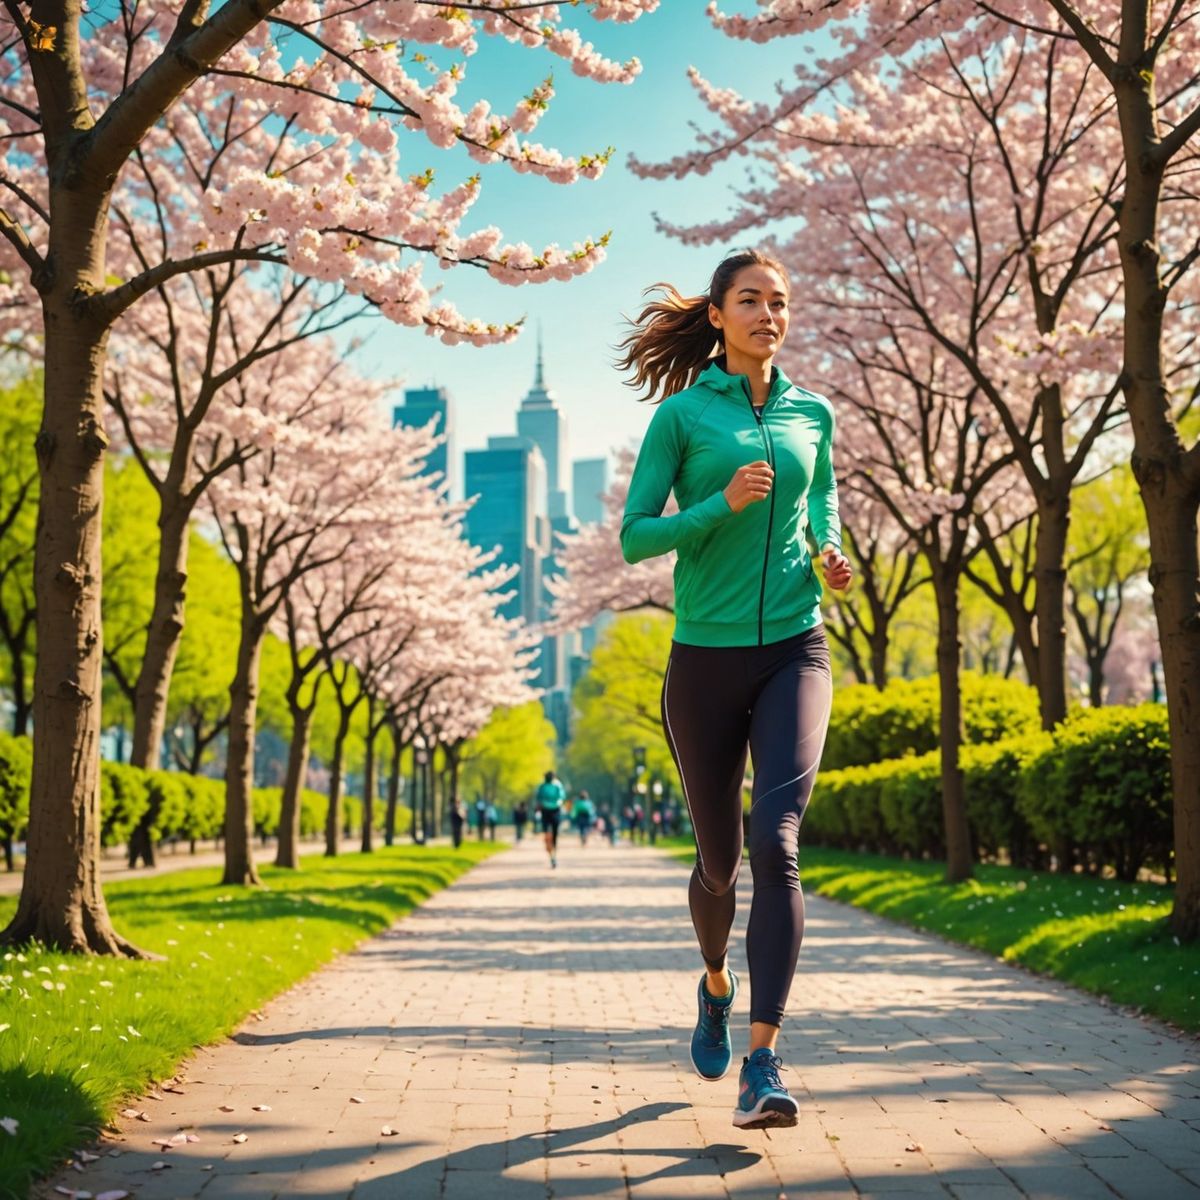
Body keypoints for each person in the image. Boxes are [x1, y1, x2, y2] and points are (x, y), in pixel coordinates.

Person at [617, 248, 853, 1130]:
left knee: (776, 840)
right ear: (716, 316)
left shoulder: (811, 412)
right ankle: (715, 983)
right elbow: (636, 536)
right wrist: (719, 505)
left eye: (779, 301)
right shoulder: (681, 419)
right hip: (703, 662)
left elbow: (820, 497)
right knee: (719, 863)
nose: (768, 313)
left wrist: (830, 557)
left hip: (796, 645)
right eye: (750, 300)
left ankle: (763, 1060)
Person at [535, 771, 566, 868]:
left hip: (549, 810)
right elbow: (562, 796)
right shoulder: (555, 785)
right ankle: (553, 854)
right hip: (552, 810)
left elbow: (538, 797)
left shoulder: (544, 786)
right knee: (552, 833)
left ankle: (551, 852)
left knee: (550, 832)